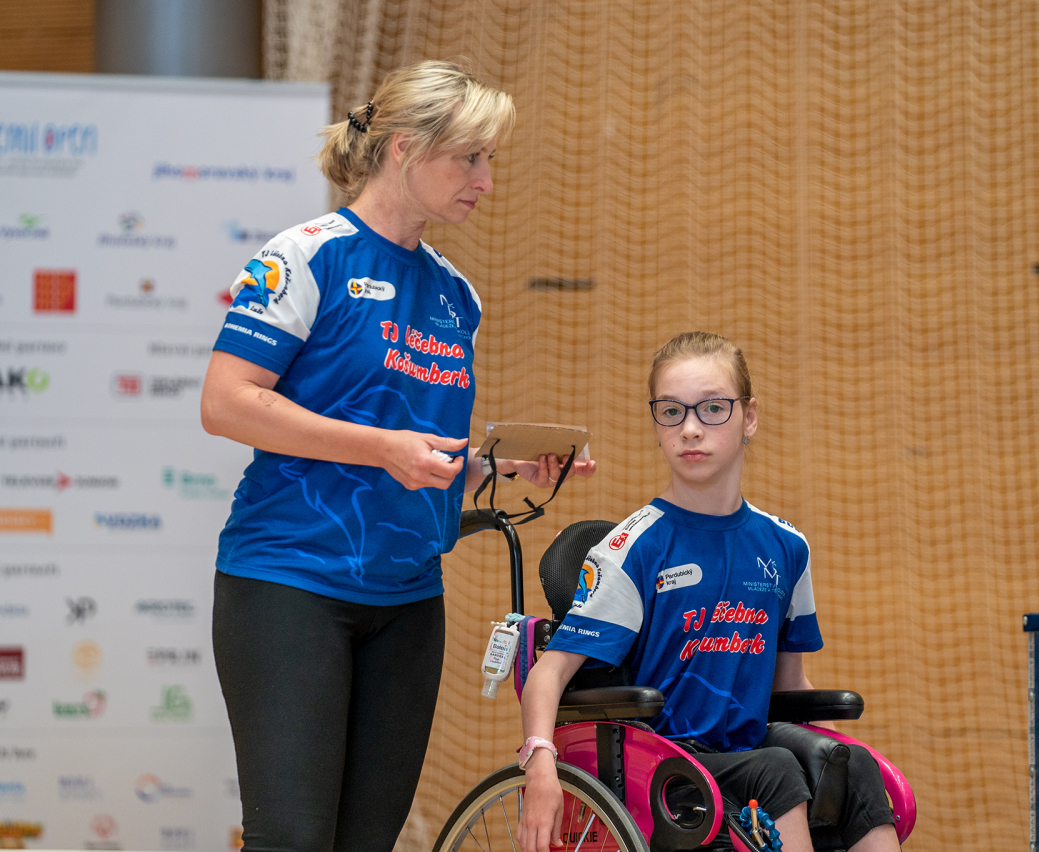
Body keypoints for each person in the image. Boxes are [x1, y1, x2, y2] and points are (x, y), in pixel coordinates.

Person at [200, 60, 593, 851]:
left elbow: (423, 456)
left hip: (409, 600)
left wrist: (499, 468)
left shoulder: (457, 295)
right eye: (470, 158)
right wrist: (383, 449)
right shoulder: (308, 255)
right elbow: (226, 402)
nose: (486, 181)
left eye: (490, 160)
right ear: (405, 148)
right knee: (292, 840)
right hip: (289, 582)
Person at [516, 331, 899, 852]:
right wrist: (540, 765)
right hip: (663, 765)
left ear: (750, 417)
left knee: (855, 766)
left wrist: (838, 759)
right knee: (777, 771)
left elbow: (789, 682)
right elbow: (548, 673)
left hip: (748, 750)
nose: (691, 428)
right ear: (657, 425)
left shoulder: (787, 547)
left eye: (713, 408)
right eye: (672, 411)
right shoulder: (635, 548)